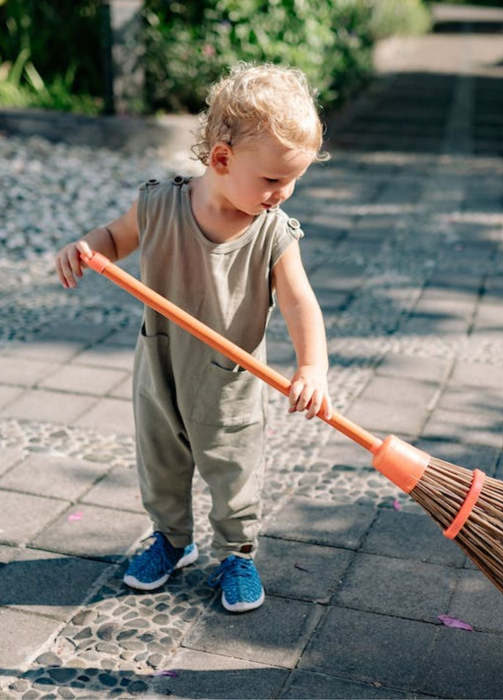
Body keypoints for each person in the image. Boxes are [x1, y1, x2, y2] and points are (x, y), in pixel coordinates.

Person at [55, 63, 333, 613]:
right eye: (273, 180)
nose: (284, 193)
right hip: (159, 366)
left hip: (229, 380)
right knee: (160, 460)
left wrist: (312, 368)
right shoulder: (159, 204)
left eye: (292, 180)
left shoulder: (272, 232)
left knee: (232, 469)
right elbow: (114, 237)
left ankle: (237, 552)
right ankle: (171, 539)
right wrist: (85, 249)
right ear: (223, 159)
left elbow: (301, 301)